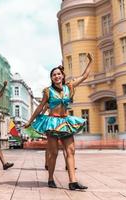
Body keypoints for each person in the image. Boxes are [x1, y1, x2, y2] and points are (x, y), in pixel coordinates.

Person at [24, 53, 92, 190]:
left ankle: (73, 182)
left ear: (62, 75)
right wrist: (30, 121)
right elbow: (40, 107)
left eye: (58, 74)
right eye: (54, 75)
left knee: (70, 150)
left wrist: (91, 61)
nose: (56, 76)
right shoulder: (48, 91)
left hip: (65, 122)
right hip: (53, 123)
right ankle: (50, 178)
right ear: (51, 78)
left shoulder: (70, 87)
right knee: (53, 153)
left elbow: (85, 76)